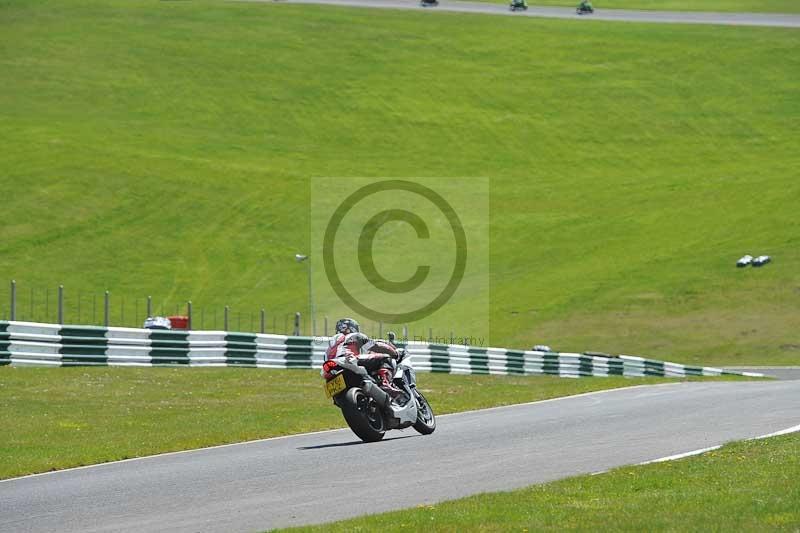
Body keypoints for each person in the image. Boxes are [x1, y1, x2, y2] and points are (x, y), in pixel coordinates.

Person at [323, 318, 403, 400]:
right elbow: (376, 346)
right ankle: (385, 384)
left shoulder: (331, 342)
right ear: (353, 328)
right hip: (349, 361)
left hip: (331, 371)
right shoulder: (356, 336)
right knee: (385, 358)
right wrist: (394, 353)